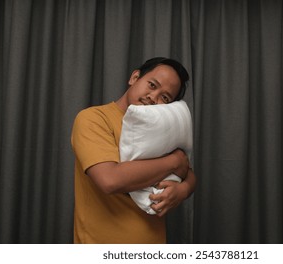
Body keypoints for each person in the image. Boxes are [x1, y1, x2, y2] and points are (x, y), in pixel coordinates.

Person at [71, 57, 196, 244]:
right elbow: (110, 180)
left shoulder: (161, 129)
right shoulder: (93, 119)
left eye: (165, 97)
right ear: (135, 77)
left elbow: (188, 172)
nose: (153, 98)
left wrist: (184, 190)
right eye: (152, 85)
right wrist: (173, 162)